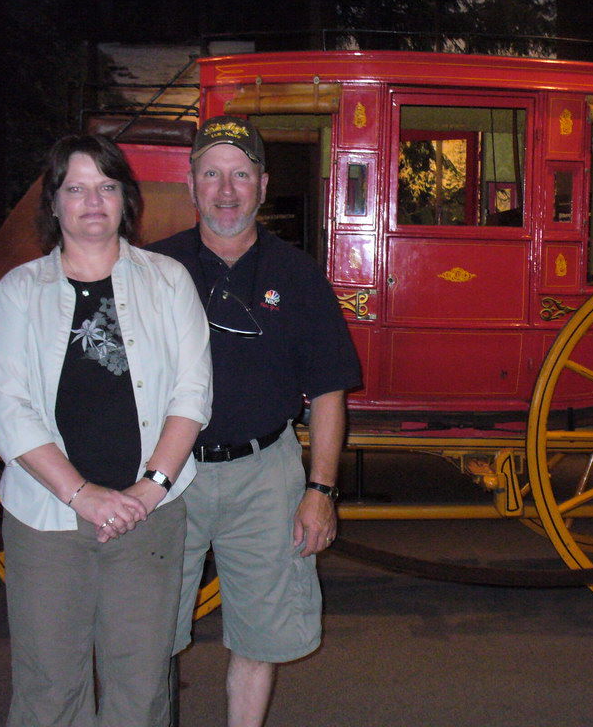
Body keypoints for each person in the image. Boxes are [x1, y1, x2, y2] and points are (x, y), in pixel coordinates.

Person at [0, 134, 213, 726]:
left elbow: (193, 394)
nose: (92, 201)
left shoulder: (169, 282)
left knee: (141, 688)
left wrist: (149, 487)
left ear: (125, 200)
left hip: (149, 518)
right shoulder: (17, 294)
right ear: (52, 204)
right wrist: (81, 495)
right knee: (48, 688)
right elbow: (9, 409)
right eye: (74, 188)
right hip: (47, 519)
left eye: (106, 187)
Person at [150, 115, 361, 727]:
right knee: (150, 633)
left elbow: (327, 393)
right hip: (168, 475)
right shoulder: (153, 270)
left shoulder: (298, 276)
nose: (225, 189)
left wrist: (319, 492)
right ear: (191, 184)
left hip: (266, 476)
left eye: (240, 174)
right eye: (211, 173)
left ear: (263, 185)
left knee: (261, 635)